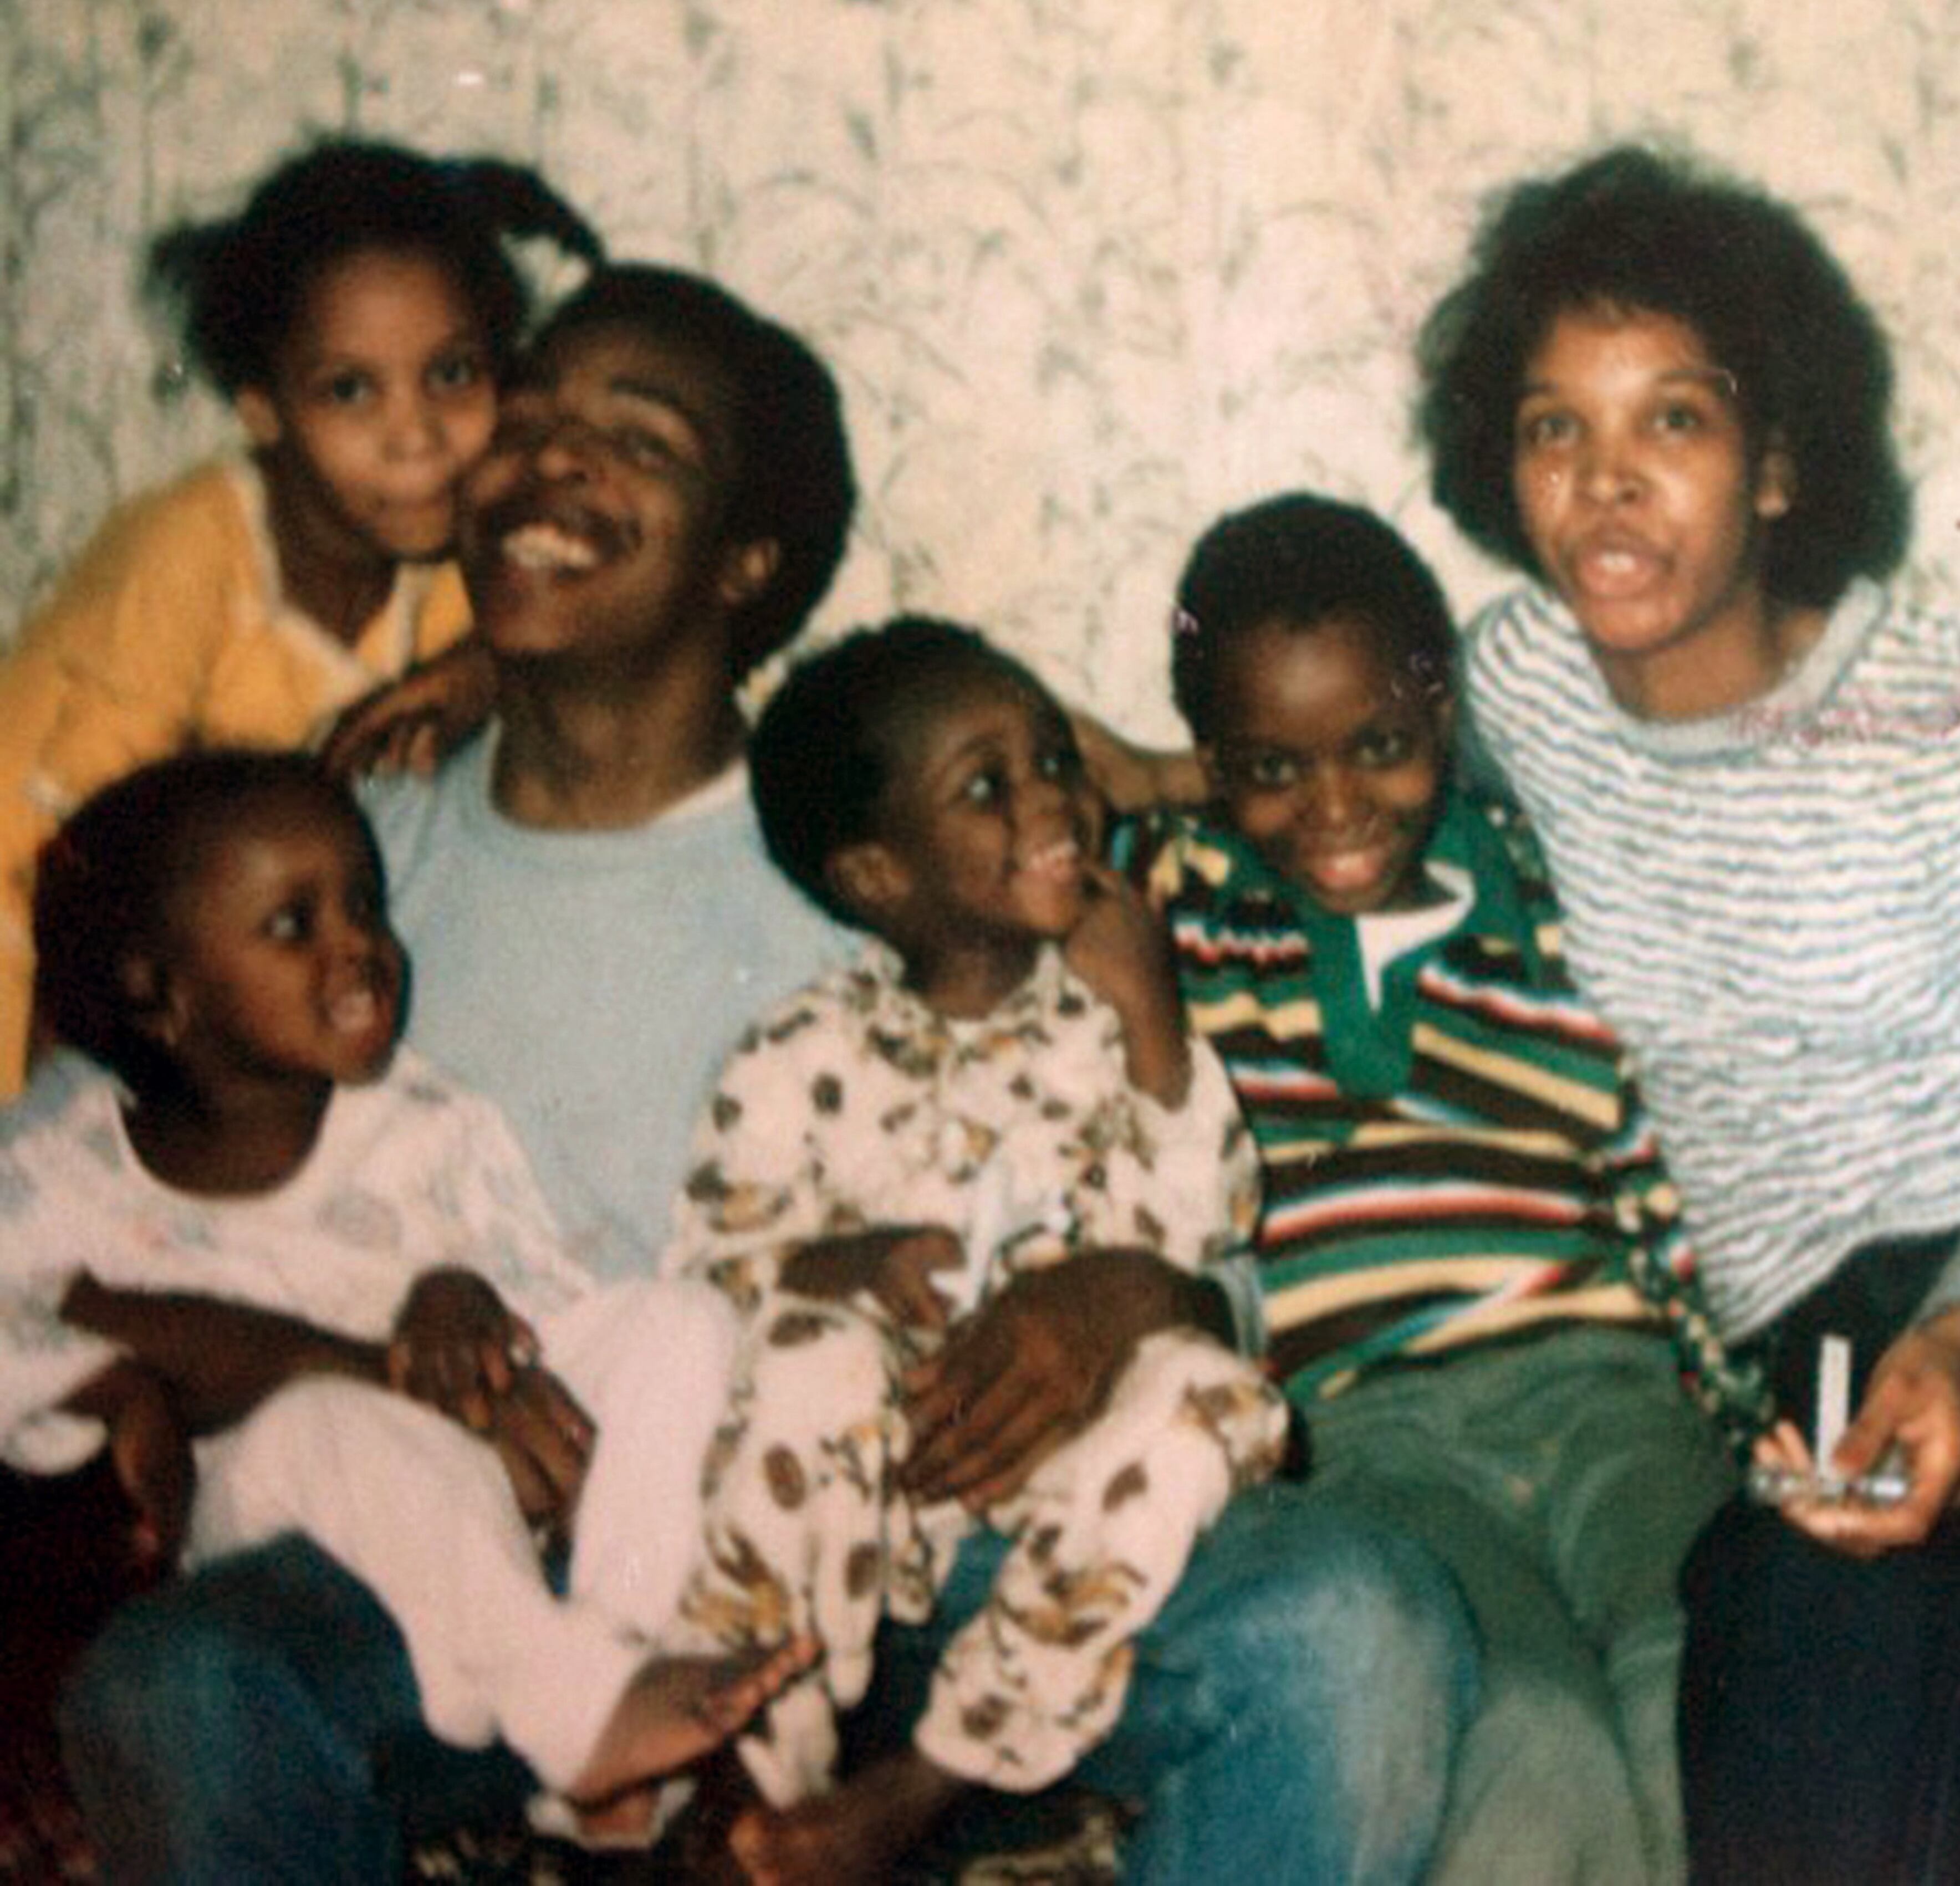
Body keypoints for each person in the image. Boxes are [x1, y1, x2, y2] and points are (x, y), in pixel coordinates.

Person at [61, 263, 1471, 1885]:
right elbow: (81, 1186)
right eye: (523, 421)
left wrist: (1132, 1298)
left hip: (913, 1552)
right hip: (490, 1579)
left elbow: (1202, 1214)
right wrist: (175, 1371)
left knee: (1358, 1624)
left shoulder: (904, 832)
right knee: (181, 1684)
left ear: (748, 562)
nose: (552, 460)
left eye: (637, 438)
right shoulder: (335, 870)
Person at [1415, 143, 1960, 1882]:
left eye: (1674, 421)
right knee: (1794, 1631)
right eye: (1552, 427)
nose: (1605, 486)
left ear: (1781, 461)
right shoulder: (1511, 681)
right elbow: (1304, 774)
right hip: (1806, 1336)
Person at [1113, 491, 1755, 1885]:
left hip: (1610, 1397)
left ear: (1446, 721)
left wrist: (1744, 1414)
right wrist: (1172, 786)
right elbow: (1028, 815)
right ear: (1211, 763)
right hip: (1373, 1437)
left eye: (1383, 748)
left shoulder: (1556, 896)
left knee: (1698, 1678)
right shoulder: (1182, 907)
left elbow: (1656, 1183)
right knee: (1530, 1734)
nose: (1335, 808)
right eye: (1270, 767)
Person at [2, 750, 811, 1846]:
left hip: (487, 1500)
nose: (362, 946)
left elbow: (546, 1302)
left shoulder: (429, 1119)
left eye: (367, 904)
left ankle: (616, 1685)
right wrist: (116, 1375)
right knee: (338, 1420)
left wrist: (466, 1299)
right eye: (295, 924)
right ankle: (570, 1702)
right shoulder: (63, 1166)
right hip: (281, 1521)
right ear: (160, 994)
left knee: (677, 1323)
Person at [665, 617, 1290, 1883]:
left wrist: (1155, 1020)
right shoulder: (800, 1050)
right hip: (874, 1463)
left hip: (1065, 1474)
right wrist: (848, 1268)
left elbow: (1202, 1237)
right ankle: (740, 1769)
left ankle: (933, 1774)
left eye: (1053, 757)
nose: (1055, 798)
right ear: (879, 876)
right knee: (801, 1357)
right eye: (989, 786)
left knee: (1216, 1395)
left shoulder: (1113, 1017)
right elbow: (714, 1272)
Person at [0, 137, 601, 1096]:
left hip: (193, 981)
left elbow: (572, 645)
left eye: (451, 375)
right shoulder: (190, 550)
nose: (416, 438)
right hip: (35, 939)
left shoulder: (449, 559)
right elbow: (79, 869)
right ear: (264, 410)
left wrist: (475, 674)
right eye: (351, 391)